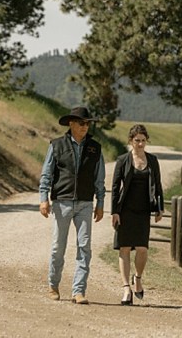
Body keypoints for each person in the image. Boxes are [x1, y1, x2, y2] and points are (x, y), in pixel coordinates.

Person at [38, 106, 105, 305]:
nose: (86, 127)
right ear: (71, 124)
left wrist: (100, 203)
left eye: (88, 123)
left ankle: (79, 291)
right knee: (58, 247)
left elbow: (99, 179)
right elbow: (46, 174)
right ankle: (53, 285)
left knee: (84, 247)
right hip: (62, 202)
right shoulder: (56, 145)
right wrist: (44, 198)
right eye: (82, 123)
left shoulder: (95, 148)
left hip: (85, 203)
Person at [111, 124, 164, 305]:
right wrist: (115, 212)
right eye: (137, 141)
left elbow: (158, 185)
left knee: (142, 248)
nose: (140, 144)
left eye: (143, 141)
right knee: (124, 248)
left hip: (143, 210)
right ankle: (126, 289)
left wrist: (159, 208)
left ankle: (138, 278)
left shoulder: (153, 160)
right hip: (125, 210)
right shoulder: (122, 160)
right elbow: (115, 188)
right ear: (131, 141)